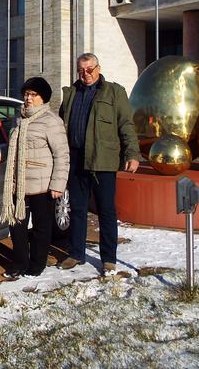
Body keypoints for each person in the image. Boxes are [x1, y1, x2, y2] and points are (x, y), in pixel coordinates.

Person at [58, 53, 140, 275]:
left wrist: (132, 153)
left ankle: (109, 258)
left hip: (103, 160)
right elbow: (60, 127)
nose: (86, 74)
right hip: (75, 160)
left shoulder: (114, 92)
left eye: (90, 69)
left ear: (98, 68)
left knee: (106, 211)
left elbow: (126, 125)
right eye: (81, 70)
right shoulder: (71, 93)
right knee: (77, 209)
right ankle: (76, 253)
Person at [0, 77, 70, 278]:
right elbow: (13, 146)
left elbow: (62, 155)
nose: (28, 98)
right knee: (17, 226)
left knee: (41, 228)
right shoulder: (19, 120)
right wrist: (2, 153)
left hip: (42, 185)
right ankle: (19, 262)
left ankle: (37, 263)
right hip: (19, 182)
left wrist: (58, 184)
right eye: (26, 94)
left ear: (43, 98)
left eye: (33, 95)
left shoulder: (52, 122)